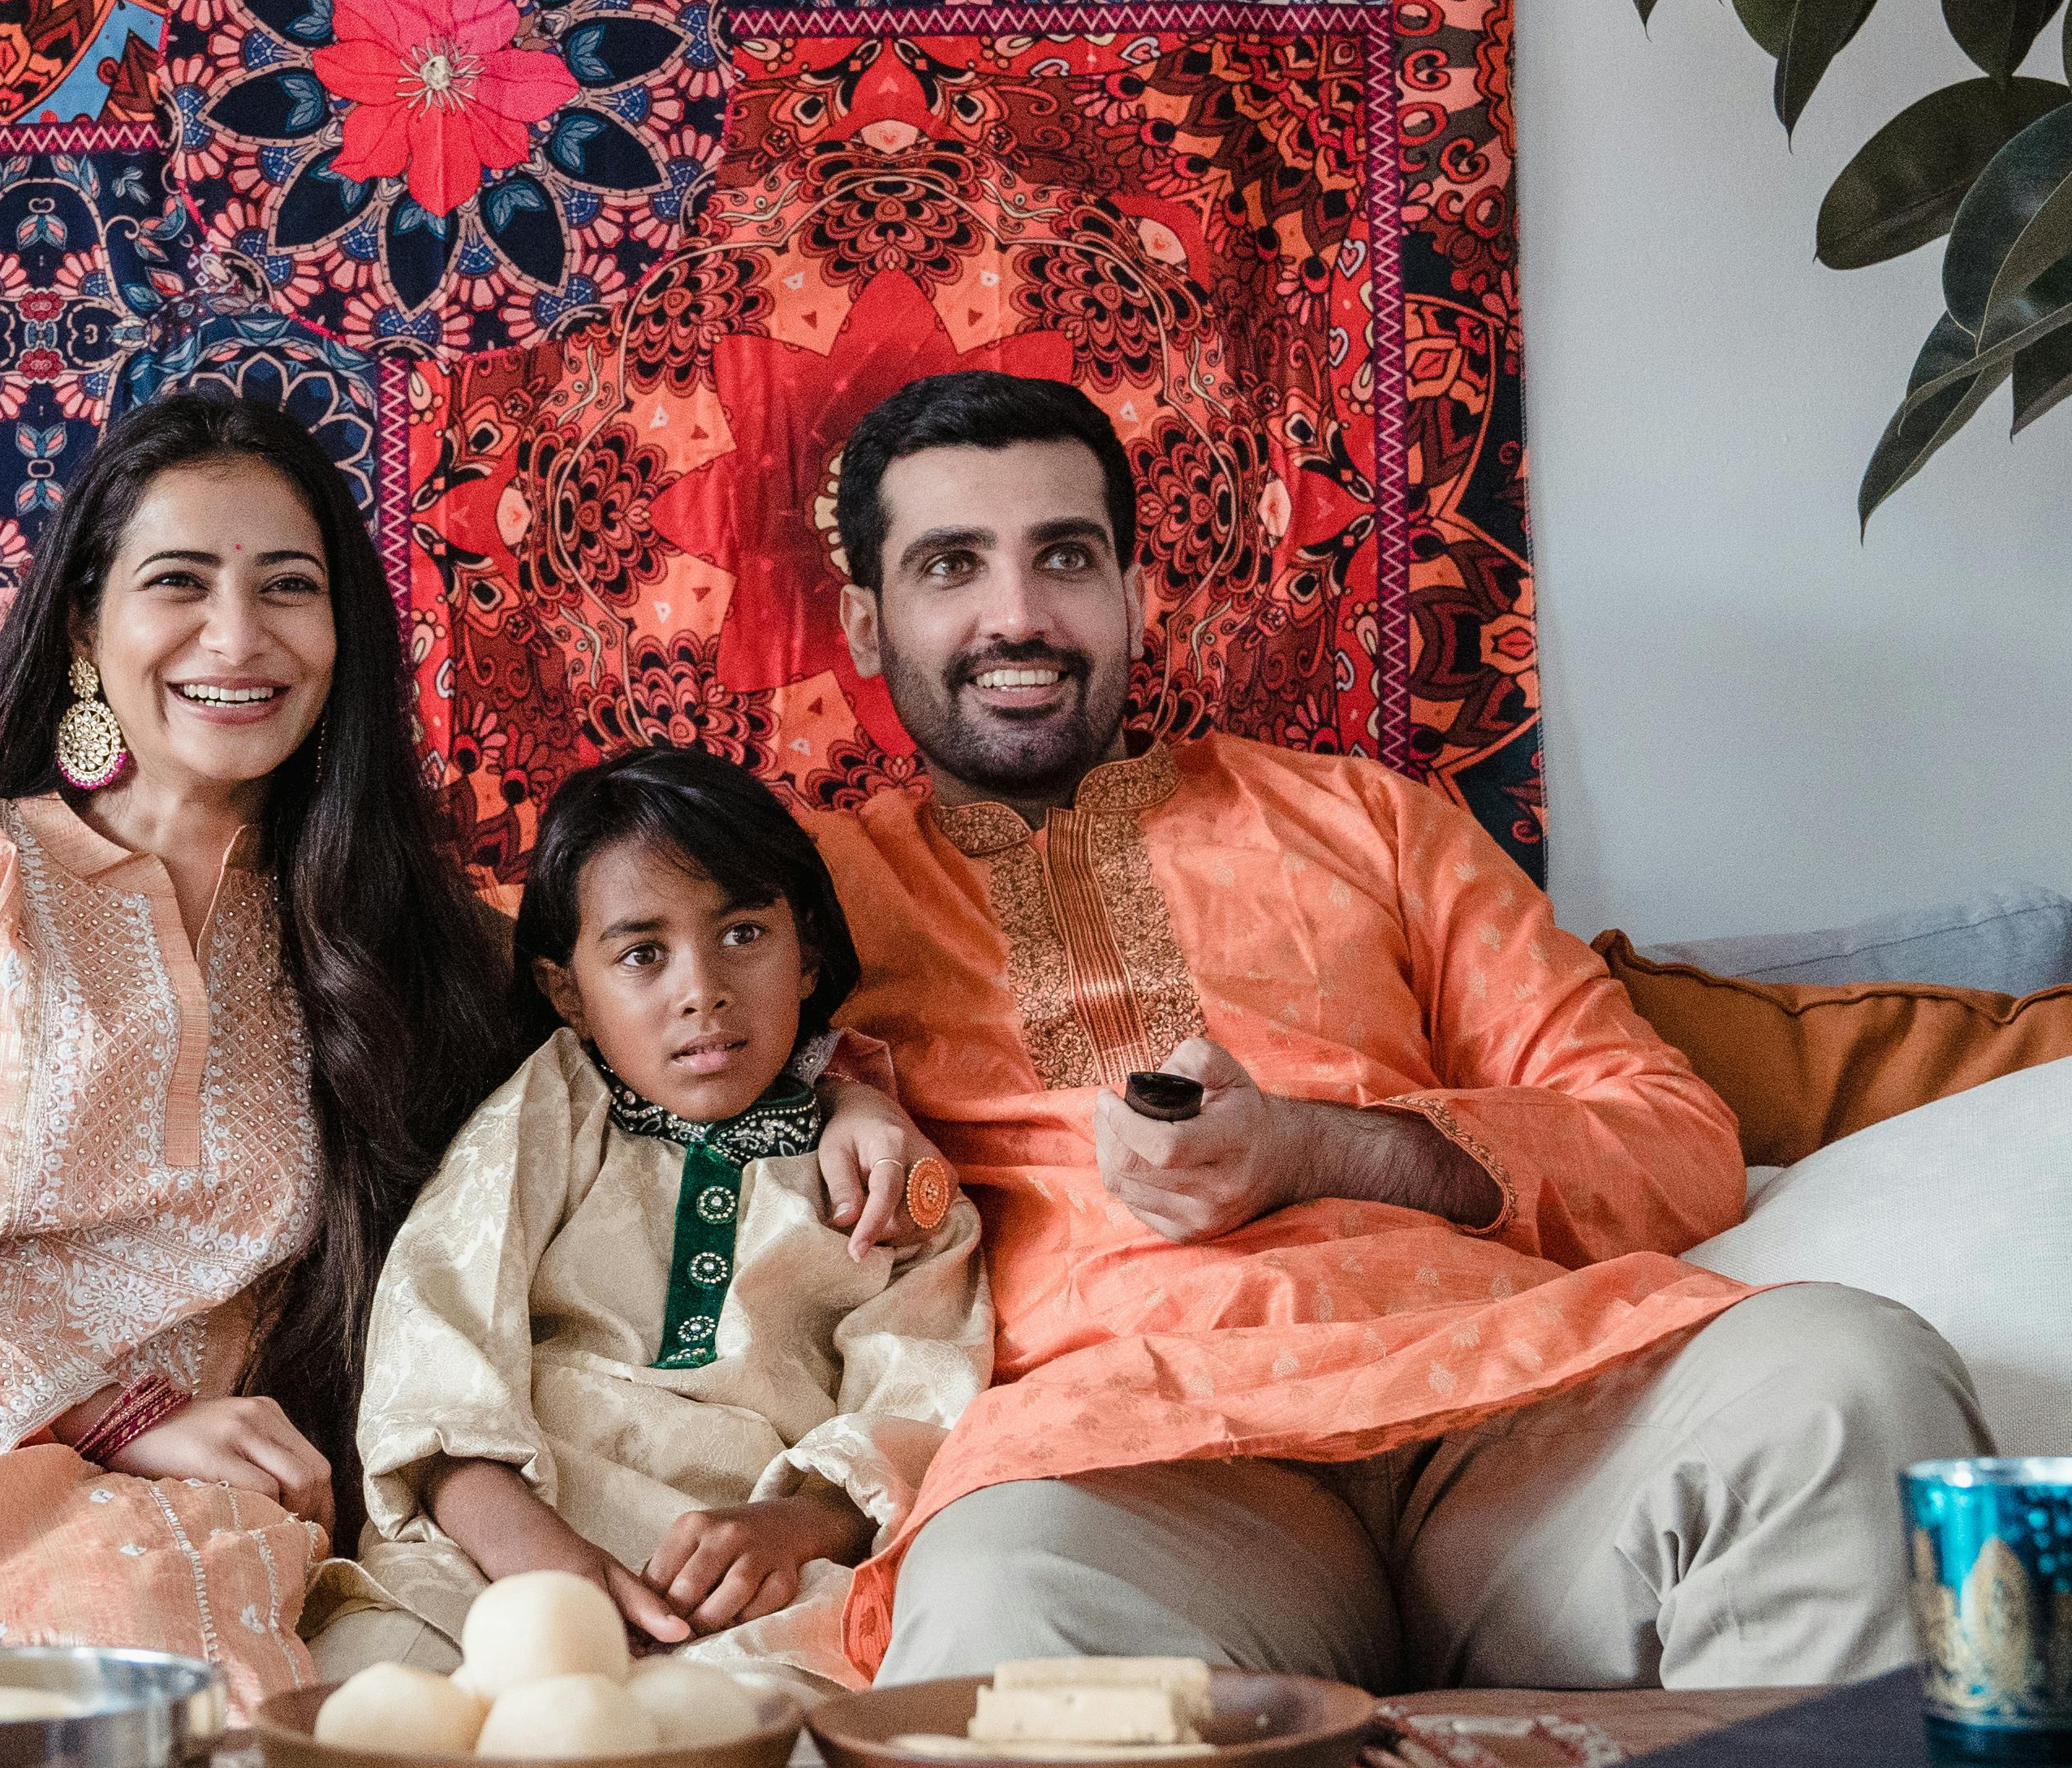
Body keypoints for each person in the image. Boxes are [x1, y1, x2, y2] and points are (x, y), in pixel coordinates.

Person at [0, 398, 930, 1714]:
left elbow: (662, 1039)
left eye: (288, 588)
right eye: (179, 581)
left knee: (174, 1707)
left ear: (340, 637)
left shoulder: (410, 945)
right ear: (81, 624)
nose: (237, 635)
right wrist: (96, 1409)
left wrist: (850, 1089)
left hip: (164, 1510)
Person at [803, 373, 1988, 1695]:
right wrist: (835, 1084)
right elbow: (586, 1009)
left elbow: (1672, 1140)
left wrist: (1320, 1150)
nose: (1016, 617)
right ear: (866, 620)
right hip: (1130, 1472)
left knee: (1845, 1379)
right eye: (951, 566)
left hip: (1514, 1418)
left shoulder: (1367, 825)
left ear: (1135, 591)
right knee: (1002, 1620)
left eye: (1064, 558)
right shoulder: (791, 904)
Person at [315, 748, 989, 1700]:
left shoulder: (879, 1173)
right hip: (512, 1530)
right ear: (567, 993)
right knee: (381, 1689)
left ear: (811, 959)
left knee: (762, 1727)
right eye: (641, 954)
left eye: (744, 932)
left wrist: (792, 1529)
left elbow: (920, 1393)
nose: (700, 988)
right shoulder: (553, 1106)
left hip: (753, 1563)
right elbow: (438, 1332)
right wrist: (537, 1554)